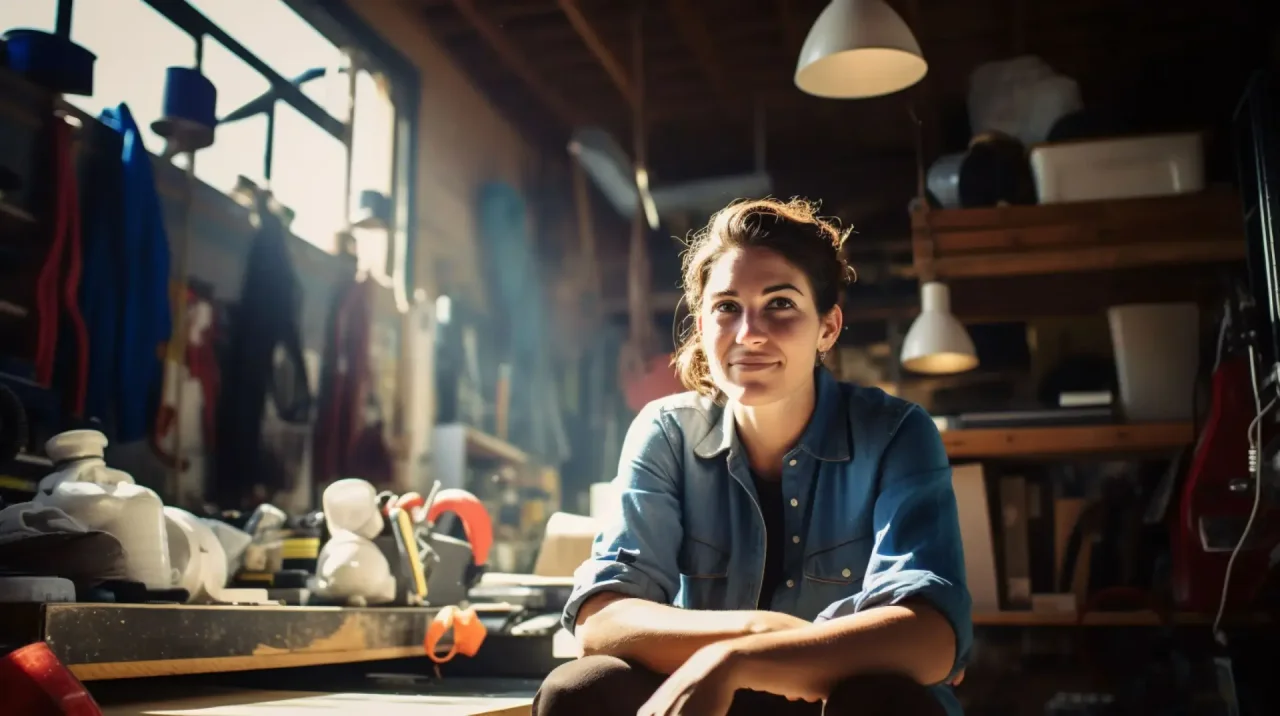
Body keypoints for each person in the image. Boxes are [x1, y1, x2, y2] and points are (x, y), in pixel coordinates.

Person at [536, 198, 972, 716]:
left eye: (780, 303)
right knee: (580, 688)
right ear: (702, 326)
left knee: (883, 702)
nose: (749, 334)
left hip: (829, 699)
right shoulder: (667, 432)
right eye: (726, 307)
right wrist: (758, 630)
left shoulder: (896, 432)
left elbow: (932, 638)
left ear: (828, 328)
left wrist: (736, 658)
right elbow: (602, 621)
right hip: (711, 700)